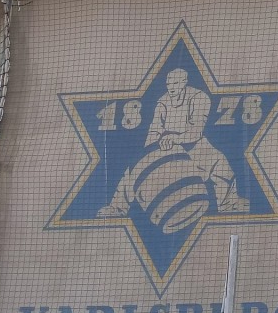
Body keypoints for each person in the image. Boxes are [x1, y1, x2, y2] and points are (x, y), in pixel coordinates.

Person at [97, 68, 248, 221]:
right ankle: (116, 208)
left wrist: (176, 138)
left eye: (175, 83)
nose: (171, 87)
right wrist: (151, 152)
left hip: (195, 146)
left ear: (184, 82)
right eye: (169, 83)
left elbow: (196, 131)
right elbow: (154, 130)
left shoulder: (199, 97)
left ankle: (228, 204)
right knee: (134, 170)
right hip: (167, 146)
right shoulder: (162, 102)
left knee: (220, 162)